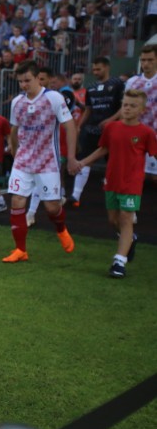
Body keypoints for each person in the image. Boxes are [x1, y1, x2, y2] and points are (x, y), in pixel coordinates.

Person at [74, 90, 157, 278]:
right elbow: (103, 149)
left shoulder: (146, 133)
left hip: (132, 184)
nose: (127, 108)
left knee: (126, 219)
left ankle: (119, 261)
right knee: (113, 221)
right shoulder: (111, 128)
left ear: (142, 110)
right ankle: (130, 240)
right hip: (111, 181)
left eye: (132, 106)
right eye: (125, 104)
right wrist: (82, 163)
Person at [2, 61, 77, 263]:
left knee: (52, 207)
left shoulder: (53, 98)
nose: (24, 85)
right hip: (23, 161)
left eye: (27, 80)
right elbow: (14, 130)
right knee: (17, 201)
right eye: (20, 81)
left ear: (37, 78)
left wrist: (70, 157)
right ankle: (20, 250)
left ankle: (61, 229)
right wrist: (15, 152)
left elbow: (69, 126)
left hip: (48, 162)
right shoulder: (17, 102)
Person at [70, 57, 125, 207]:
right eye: (94, 69)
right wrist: (79, 125)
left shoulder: (117, 84)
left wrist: (112, 120)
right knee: (85, 159)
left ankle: (118, 196)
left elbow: (124, 106)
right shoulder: (91, 87)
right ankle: (75, 196)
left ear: (107, 67)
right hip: (92, 129)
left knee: (114, 163)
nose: (95, 72)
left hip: (113, 130)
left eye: (98, 69)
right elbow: (88, 109)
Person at [123, 44, 157, 180]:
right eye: (143, 60)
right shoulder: (133, 81)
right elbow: (125, 106)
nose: (146, 64)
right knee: (134, 175)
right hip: (136, 134)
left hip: (155, 135)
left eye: (150, 60)